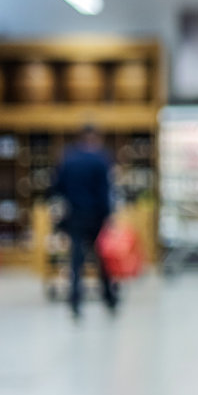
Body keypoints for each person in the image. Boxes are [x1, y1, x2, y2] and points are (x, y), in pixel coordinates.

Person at [52, 125, 118, 319]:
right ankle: (109, 299)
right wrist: (108, 216)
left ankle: (75, 302)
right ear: (95, 137)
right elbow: (105, 191)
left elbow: (57, 187)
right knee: (102, 259)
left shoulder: (68, 158)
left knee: (76, 260)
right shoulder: (100, 159)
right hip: (96, 216)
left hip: (74, 216)